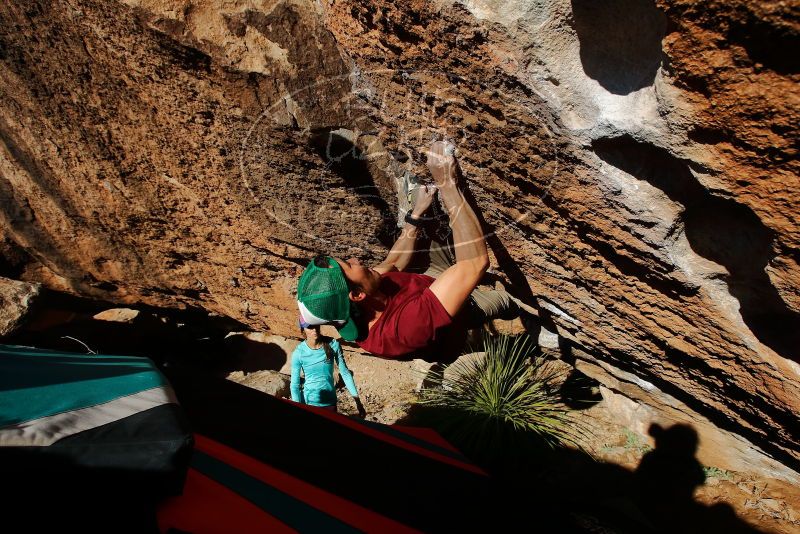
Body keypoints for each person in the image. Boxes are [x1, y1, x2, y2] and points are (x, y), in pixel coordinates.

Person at [296, 140, 530, 359]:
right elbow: (474, 264)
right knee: (510, 301)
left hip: (428, 283)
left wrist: (416, 215)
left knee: (427, 228)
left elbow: (394, 262)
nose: (356, 259)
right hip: (461, 311)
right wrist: (446, 183)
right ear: (357, 295)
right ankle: (524, 318)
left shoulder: (365, 293)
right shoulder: (401, 332)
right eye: (349, 265)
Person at [290, 321, 367, 416]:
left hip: (330, 402)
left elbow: (345, 373)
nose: (314, 330)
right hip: (309, 402)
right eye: (309, 327)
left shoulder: (333, 344)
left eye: (316, 326)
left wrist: (357, 401)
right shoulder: (299, 353)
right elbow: (294, 385)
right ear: (303, 330)